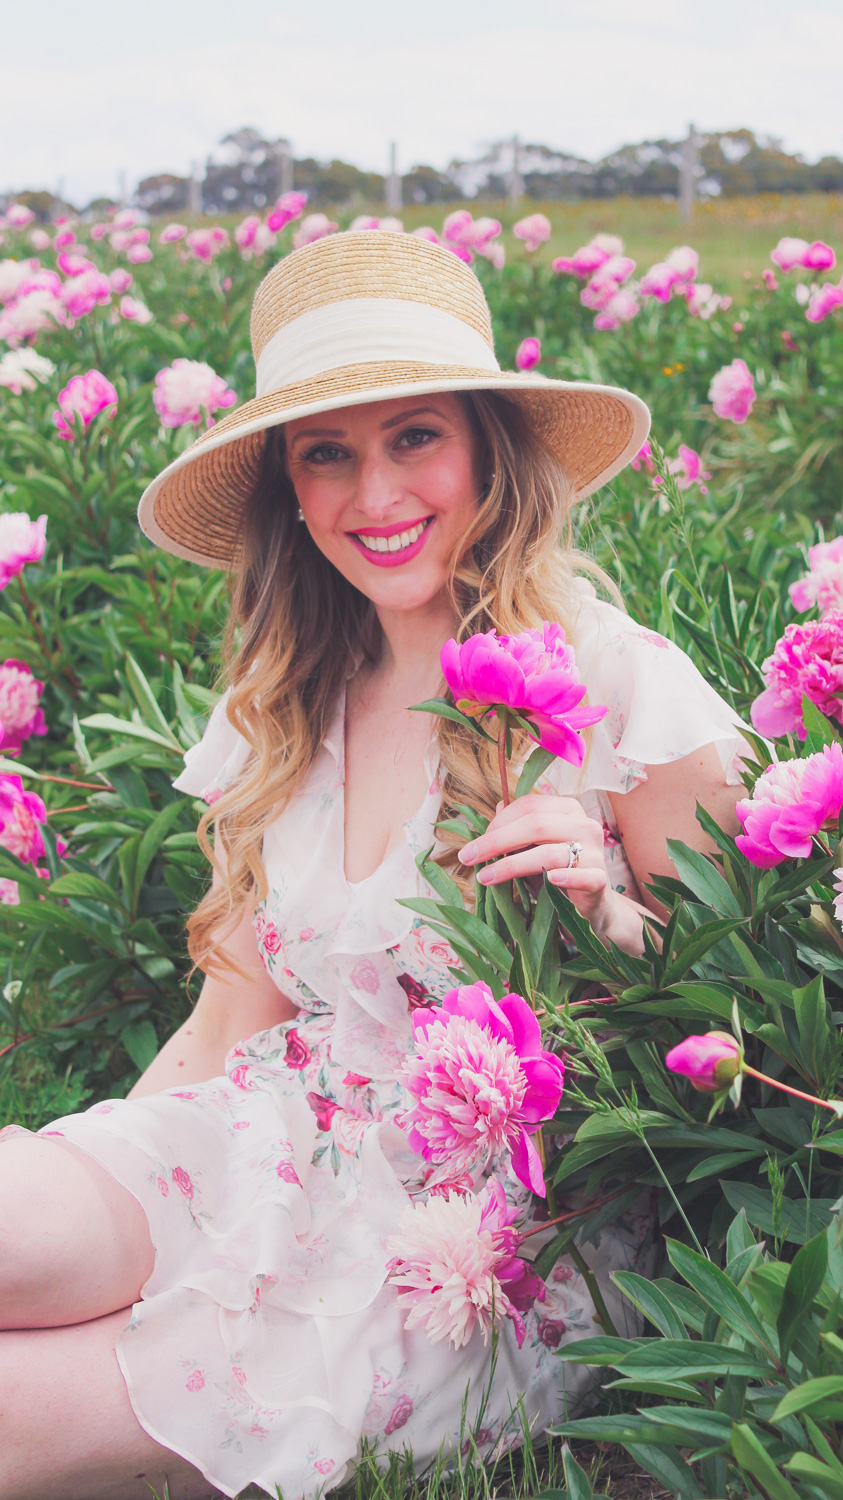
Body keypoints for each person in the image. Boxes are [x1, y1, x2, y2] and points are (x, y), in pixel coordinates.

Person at [0, 231, 747, 1500]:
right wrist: (140, 1191)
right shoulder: (278, 702)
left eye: (414, 438)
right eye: (326, 452)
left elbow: (752, 1026)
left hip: (474, 1237)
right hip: (275, 1141)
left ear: (486, 450)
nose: (373, 493)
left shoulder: (624, 685)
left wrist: (607, 911)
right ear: (288, 487)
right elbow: (231, 1013)